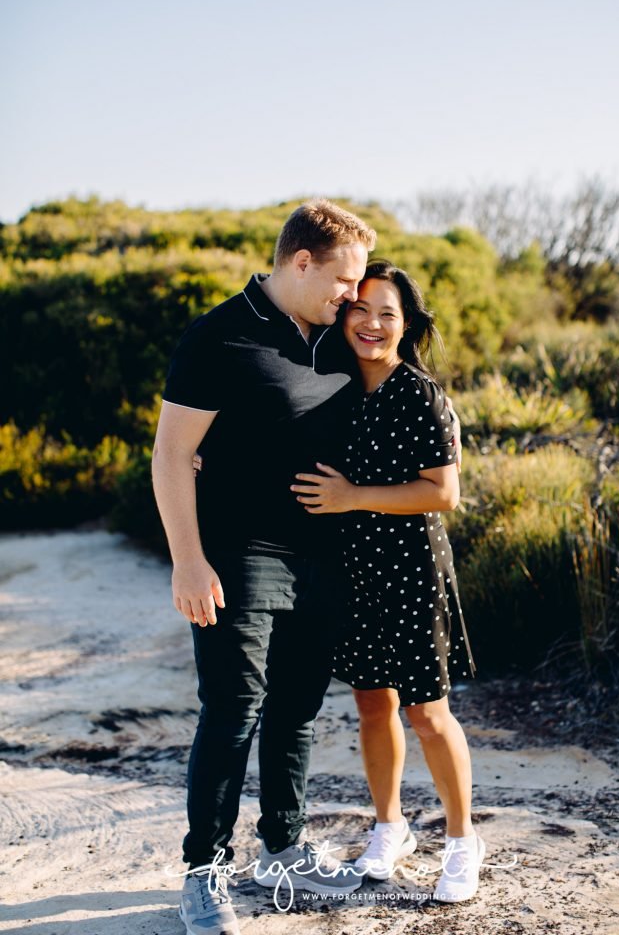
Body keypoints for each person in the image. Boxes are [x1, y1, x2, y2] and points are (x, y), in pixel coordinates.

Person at [152, 200, 376, 935]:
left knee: (296, 711)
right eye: (344, 279)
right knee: (233, 710)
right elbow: (172, 455)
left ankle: (282, 849)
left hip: (323, 556)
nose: (354, 294)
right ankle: (204, 871)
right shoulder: (217, 337)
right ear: (300, 262)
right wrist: (188, 560)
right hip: (239, 554)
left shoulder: (336, 340)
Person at [290, 259, 483, 903]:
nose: (371, 324)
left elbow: (443, 493)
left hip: (411, 571)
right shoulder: (332, 386)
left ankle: (461, 840)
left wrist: (353, 497)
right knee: (372, 705)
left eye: (387, 314)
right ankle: (390, 826)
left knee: (428, 713)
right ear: (343, 316)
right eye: (359, 309)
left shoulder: (420, 393)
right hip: (352, 570)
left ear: (406, 325)